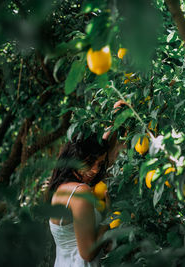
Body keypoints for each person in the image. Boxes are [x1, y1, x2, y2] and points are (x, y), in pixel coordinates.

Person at [47, 101, 127, 266]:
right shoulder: (80, 192)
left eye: (99, 164)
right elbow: (88, 253)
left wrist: (115, 117)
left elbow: (103, 148)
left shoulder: (63, 187)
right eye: (90, 162)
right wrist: (108, 218)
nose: (95, 170)